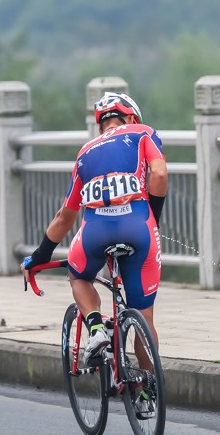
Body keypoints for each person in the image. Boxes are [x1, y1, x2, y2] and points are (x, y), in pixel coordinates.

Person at [22, 92, 168, 367]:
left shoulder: (84, 152)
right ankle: (148, 392)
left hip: (95, 232)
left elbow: (65, 216)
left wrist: (39, 257)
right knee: (144, 319)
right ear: (132, 117)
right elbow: (158, 175)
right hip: (139, 226)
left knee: (78, 277)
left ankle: (96, 329)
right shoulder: (144, 133)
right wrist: (152, 220)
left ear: (101, 126)